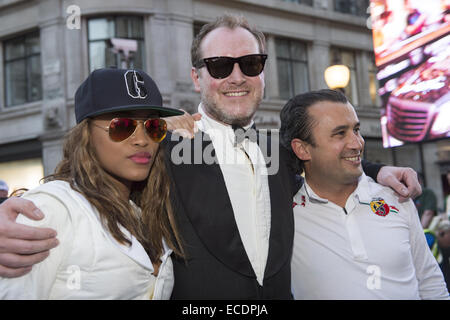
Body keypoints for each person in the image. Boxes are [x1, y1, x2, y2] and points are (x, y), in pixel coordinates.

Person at [0, 15, 421, 299]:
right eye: (219, 66)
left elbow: (329, 157)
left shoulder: (278, 150)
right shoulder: (157, 147)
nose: (236, 77)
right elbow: (83, 183)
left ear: (263, 73)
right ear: (197, 77)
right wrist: (8, 215)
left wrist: (380, 169)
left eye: (250, 63)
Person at [0, 67, 187, 299]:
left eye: (153, 127)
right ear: (85, 135)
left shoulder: (144, 213)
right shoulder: (51, 209)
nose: (141, 140)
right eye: (122, 126)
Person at [280, 89, 448, 299]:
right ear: (302, 149)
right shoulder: (285, 215)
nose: (357, 143)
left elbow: (430, 280)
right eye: (340, 133)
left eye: (356, 130)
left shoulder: (396, 198)